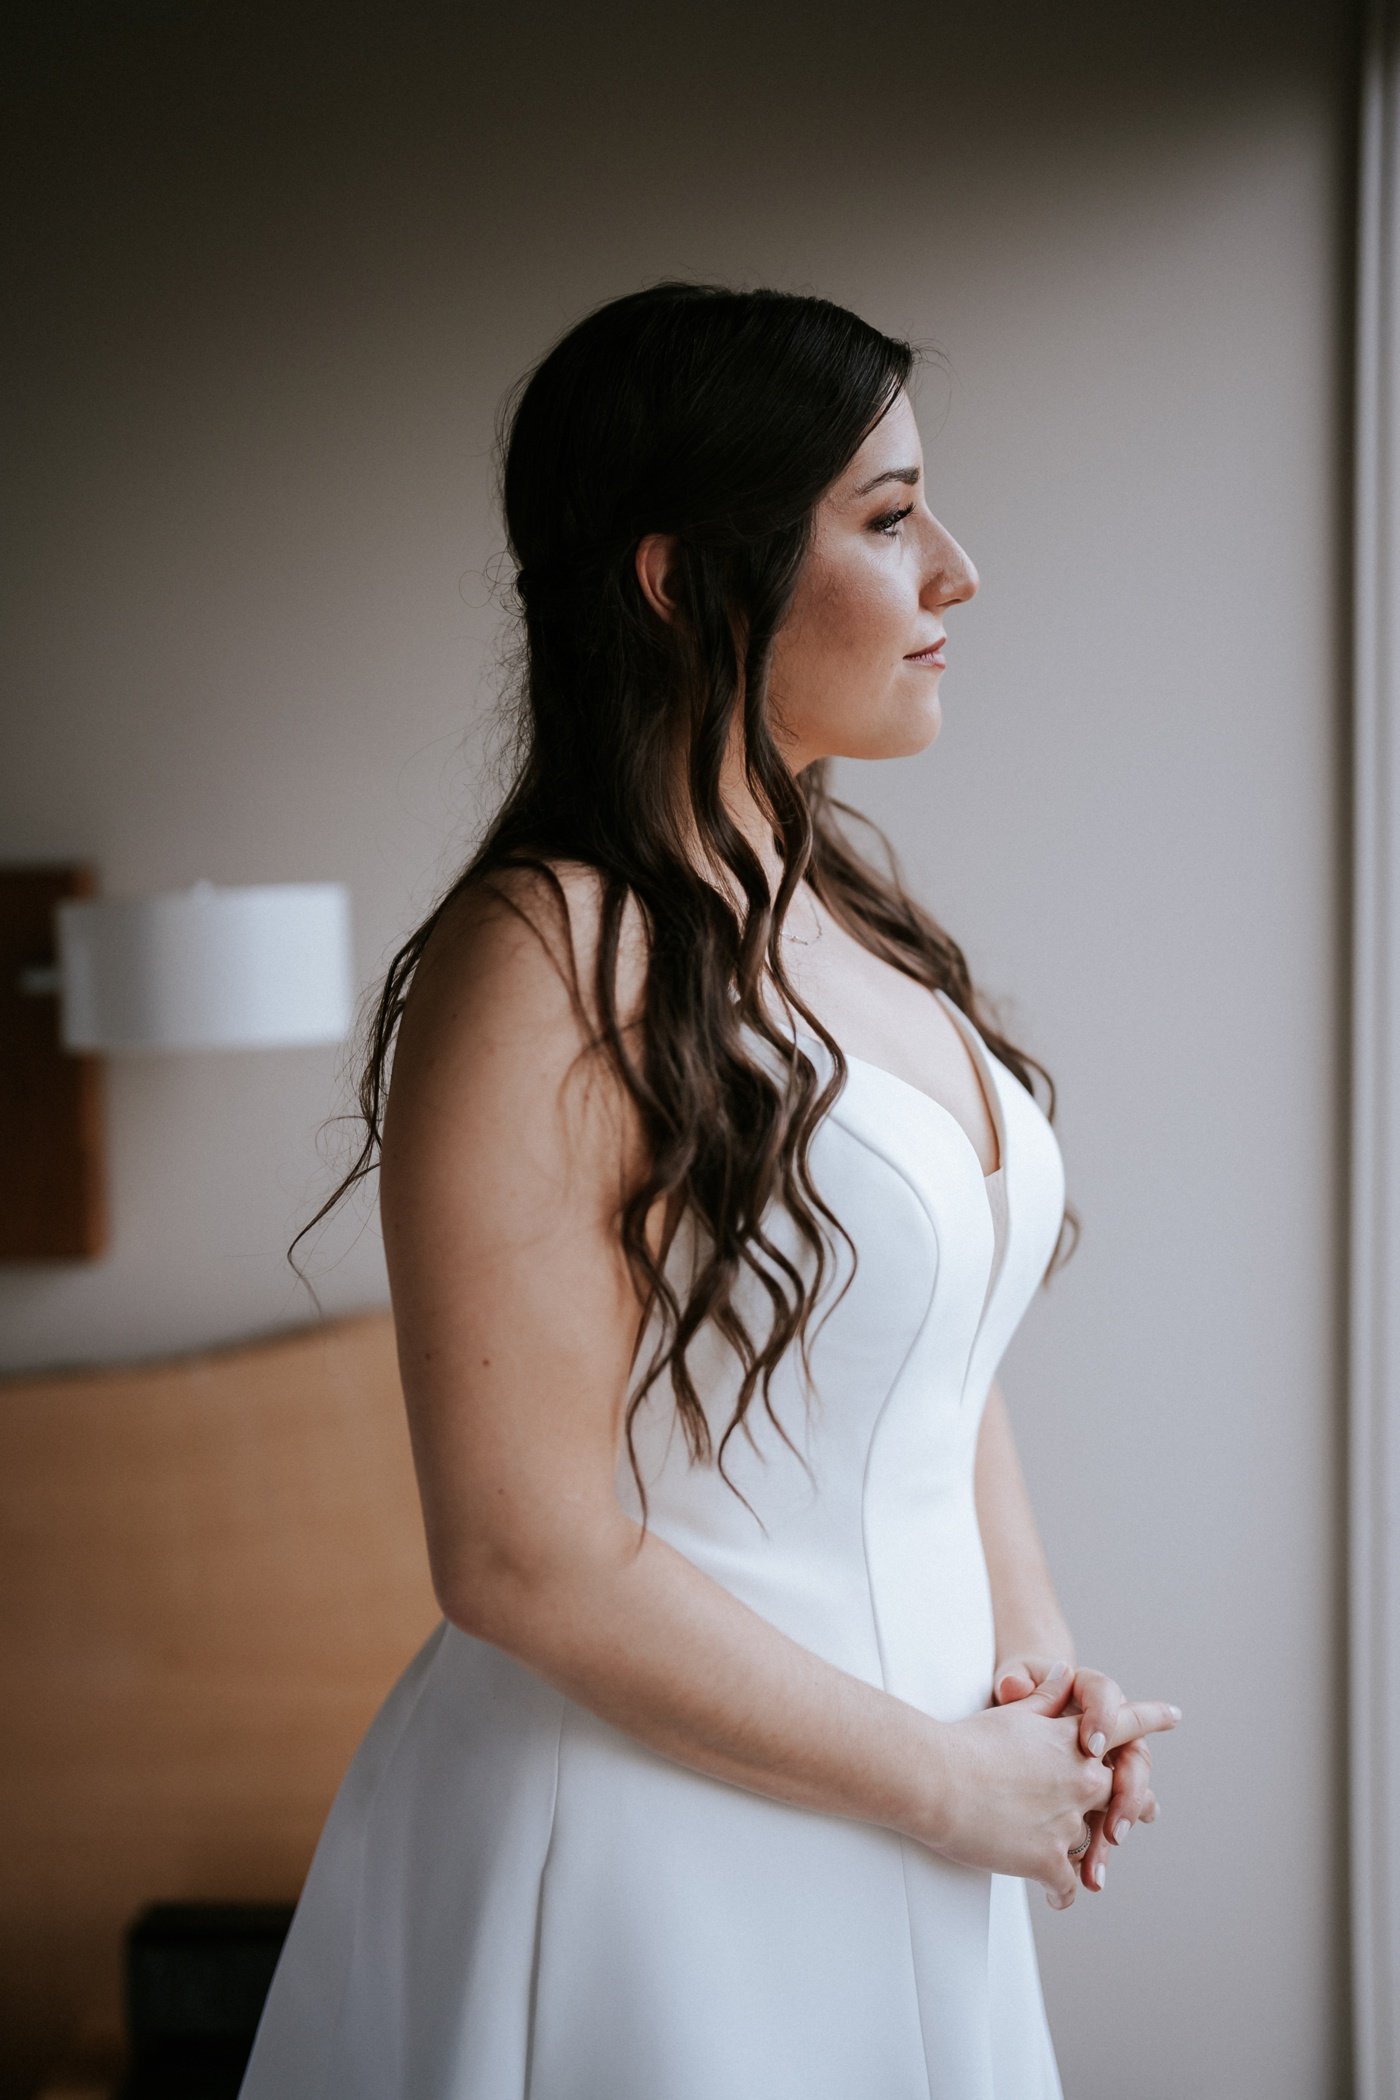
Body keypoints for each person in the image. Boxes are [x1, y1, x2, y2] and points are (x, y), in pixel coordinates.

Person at [238, 280, 1181, 2100]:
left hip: (919, 1806)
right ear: (680, 581)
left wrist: (1032, 1676)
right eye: (893, 520)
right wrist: (940, 1783)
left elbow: (928, 1351)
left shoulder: (849, 919)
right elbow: (520, 1553)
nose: (957, 574)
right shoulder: (539, 960)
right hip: (655, 1852)